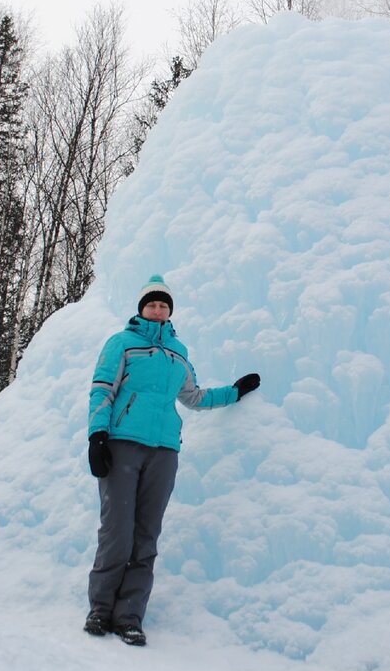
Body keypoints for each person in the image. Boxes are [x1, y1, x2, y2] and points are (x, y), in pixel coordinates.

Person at [84, 274, 260, 646]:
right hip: (122, 445)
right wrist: (97, 435)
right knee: (117, 530)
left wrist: (234, 393)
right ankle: (100, 609)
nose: (158, 309)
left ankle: (130, 616)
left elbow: (193, 397)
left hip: (164, 451)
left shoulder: (178, 352)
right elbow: (102, 388)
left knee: (146, 535)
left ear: (170, 311)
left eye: (164, 305)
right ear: (141, 308)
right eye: (153, 303)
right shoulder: (122, 343)